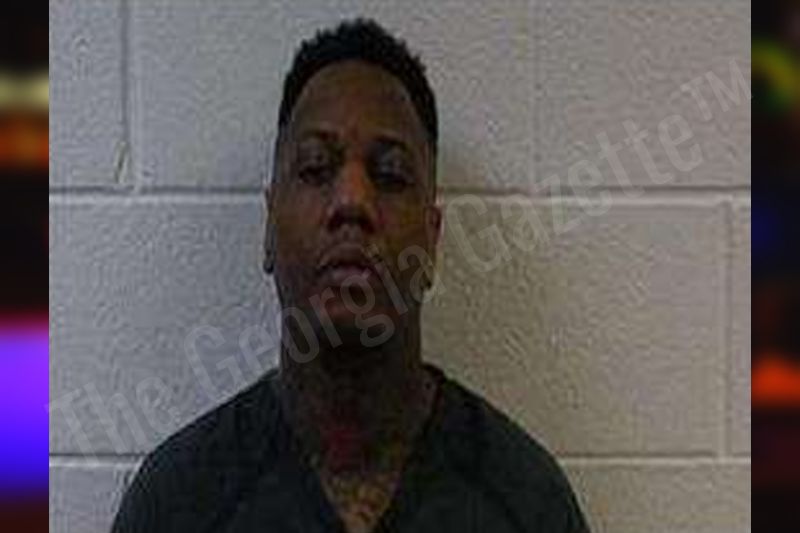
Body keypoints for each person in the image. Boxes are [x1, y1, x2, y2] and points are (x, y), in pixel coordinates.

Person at [111, 18, 589, 533]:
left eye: (390, 175)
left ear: (432, 239)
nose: (352, 201)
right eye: (316, 168)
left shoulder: (527, 502)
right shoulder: (179, 502)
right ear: (269, 227)